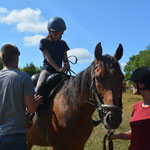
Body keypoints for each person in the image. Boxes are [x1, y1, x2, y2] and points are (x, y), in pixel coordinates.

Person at [0, 44, 42, 150]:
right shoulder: (23, 77)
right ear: (15, 57)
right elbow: (31, 109)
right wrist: (34, 103)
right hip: (15, 135)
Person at [109, 67, 150, 150]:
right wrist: (115, 136)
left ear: (142, 84)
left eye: (134, 82)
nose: (131, 85)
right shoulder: (137, 107)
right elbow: (134, 134)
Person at [35, 17, 70, 97]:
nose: (58, 36)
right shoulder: (44, 42)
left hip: (60, 71)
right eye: (55, 33)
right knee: (39, 85)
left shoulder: (63, 43)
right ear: (49, 31)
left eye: (60, 33)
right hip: (48, 70)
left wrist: (66, 65)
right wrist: (58, 68)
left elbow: (65, 57)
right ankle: (32, 107)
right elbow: (48, 57)